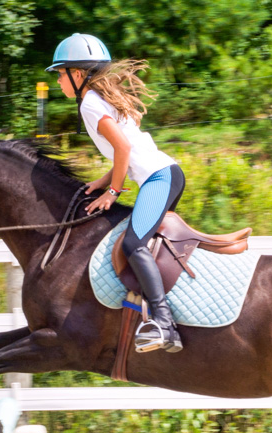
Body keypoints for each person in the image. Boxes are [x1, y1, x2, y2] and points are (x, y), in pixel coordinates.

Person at [47, 33, 184, 353]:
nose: (58, 83)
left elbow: (122, 147)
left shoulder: (90, 105)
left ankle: (164, 323)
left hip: (159, 178)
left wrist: (113, 191)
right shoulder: (98, 100)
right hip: (163, 174)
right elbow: (125, 150)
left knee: (135, 243)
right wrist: (103, 179)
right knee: (142, 239)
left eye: (59, 74)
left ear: (77, 74)